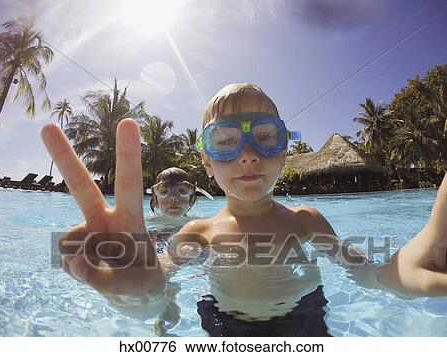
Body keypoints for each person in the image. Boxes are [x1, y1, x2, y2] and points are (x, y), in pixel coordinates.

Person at [41, 83, 447, 337]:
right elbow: (157, 285)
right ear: (205, 160)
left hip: (304, 318)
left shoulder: (306, 221)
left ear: (285, 150)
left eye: (267, 138)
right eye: (225, 142)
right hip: (222, 322)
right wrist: (141, 299)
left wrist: (391, 274)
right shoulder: (197, 233)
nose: (248, 156)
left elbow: (361, 271)